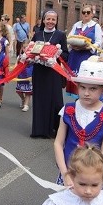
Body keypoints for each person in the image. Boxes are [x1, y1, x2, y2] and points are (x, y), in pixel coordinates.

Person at [53, 59, 103, 186]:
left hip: (92, 178)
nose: (86, 93)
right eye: (82, 87)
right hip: (68, 174)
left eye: (93, 88)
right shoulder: (68, 110)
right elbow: (58, 143)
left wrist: (90, 179)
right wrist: (65, 174)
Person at [30, 10, 69, 139]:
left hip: (53, 72)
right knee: (40, 100)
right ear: (43, 20)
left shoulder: (60, 35)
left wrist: (57, 54)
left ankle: (55, 129)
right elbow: (31, 50)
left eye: (53, 19)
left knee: (56, 101)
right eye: (48, 19)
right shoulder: (37, 34)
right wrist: (29, 56)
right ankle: (39, 130)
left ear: (56, 21)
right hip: (39, 71)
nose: (50, 22)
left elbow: (66, 55)